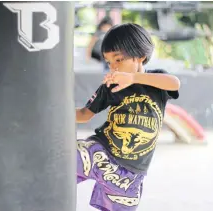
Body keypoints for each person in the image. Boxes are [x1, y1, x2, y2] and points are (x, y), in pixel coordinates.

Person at [76, 23, 180, 211]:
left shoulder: (158, 81)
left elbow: (174, 83)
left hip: (129, 176)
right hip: (100, 152)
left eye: (119, 59)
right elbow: (84, 114)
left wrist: (133, 78)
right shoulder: (111, 86)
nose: (114, 67)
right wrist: (53, 112)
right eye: (109, 62)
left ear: (141, 56)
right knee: (62, 160)